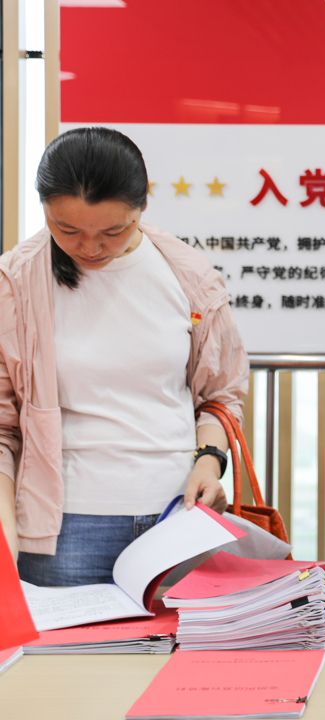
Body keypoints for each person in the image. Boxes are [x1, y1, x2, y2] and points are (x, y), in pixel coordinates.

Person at [0, 127, 249, 584]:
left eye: (113, 231)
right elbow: (2, 428)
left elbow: (220, 395)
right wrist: (5, 538)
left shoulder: (188, 275)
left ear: (142, 208)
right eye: (67, 229)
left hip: (178, 518)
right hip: (65, 531)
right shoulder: (16, 283)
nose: (90, 248)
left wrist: (210, 461)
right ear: (44, 209)